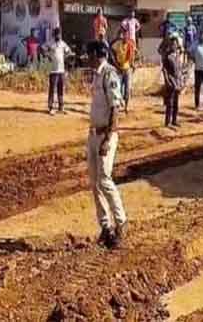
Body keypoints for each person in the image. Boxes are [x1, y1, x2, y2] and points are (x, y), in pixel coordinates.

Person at [85, 41, 127, 249]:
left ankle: (121, 223)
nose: (87, 58)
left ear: (96, 54)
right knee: (95, 182)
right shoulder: (97, 75)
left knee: (105, 179)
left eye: (89, 54)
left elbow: (115, 109)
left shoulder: (110, 75)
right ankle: (106, 227)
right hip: (93, 134)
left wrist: (108, 139)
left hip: (104, 136)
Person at [43, 28, 72, 115]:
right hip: (53, 71)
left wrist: (65, 57)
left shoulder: (63, 44)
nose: (58, 36)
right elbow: (41, 49)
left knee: (60, 89)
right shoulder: (50, 43)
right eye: (56, 34)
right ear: (54, 35)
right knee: (52, 89)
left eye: (59, 34)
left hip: (61, 70)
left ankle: (61, 107)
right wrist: (47, 56)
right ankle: (50, 107)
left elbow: (69, 51)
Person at [162, 33, 184, 128]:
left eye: (175, 44)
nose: (174, 46)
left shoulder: (178, 55)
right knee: (169, 103)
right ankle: (168, 122)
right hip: (171, 82)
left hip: (178, 81)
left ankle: (174, 121)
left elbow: (180, 69)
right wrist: (167, 81)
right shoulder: (167, 56)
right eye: (172, 44)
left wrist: (182, 81)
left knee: (176, 103)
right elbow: (164, 70)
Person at [111, 34, 136, 112]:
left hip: (127, 68)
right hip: (119, 68)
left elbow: (132, 56)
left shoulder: (130, 45)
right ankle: (119, 104)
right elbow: (111, 51)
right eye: (124, 38)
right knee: (119, 88)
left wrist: (133, 65)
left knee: (127, 89)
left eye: (126, 38)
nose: (125, 39)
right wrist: (115, 63)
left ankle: (126, 107)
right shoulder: (118, 44)